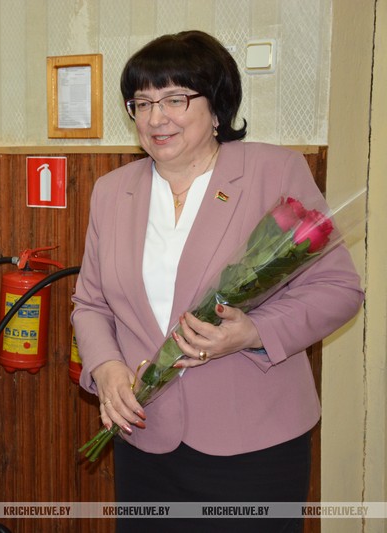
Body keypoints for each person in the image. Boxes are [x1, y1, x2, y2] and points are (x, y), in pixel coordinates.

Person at [72, 31, 363, 533]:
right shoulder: (111, 191)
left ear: (217, 105)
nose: (155, 117)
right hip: (145, 441)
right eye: (141, 102)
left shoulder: (275, 171)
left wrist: (253, 333)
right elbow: (90, 304)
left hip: (253, 445)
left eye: (174, 99)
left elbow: (339, 290)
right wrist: (107, 370)